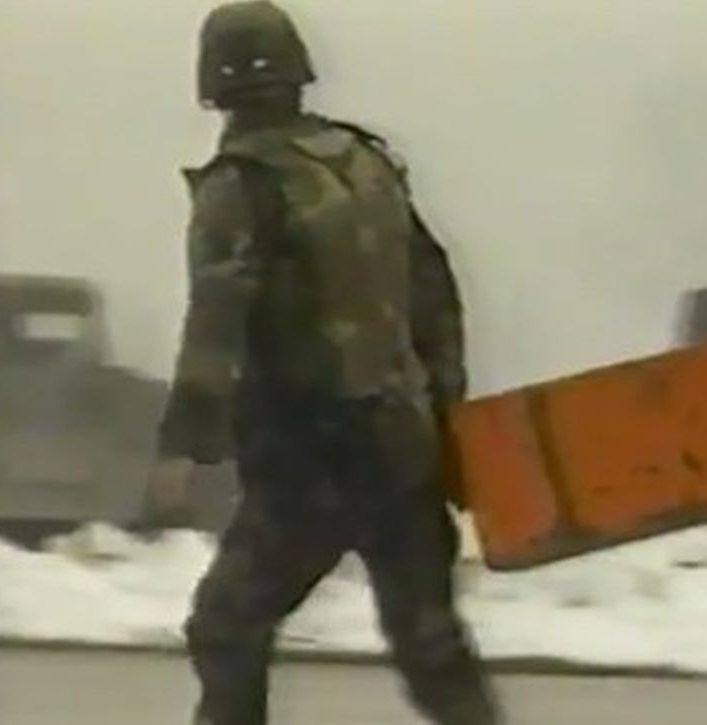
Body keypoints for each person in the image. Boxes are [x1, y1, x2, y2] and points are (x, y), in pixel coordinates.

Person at [142, 2, 500, 723]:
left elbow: (216, 322)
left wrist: (183, 446)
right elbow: (434, 295)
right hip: (403, 447)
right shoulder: (368, 163)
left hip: (310, 457)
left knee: (226, 625)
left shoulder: (239, 184)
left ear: (213, 81)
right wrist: (444, 418)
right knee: (432, 647)